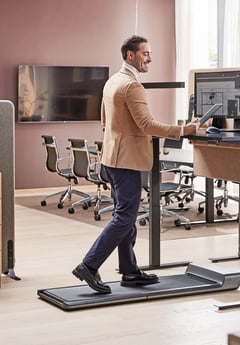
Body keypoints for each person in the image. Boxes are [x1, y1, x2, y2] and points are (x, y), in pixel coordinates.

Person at [72, 35, 199, 294]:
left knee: (125, 215)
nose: (149, 58)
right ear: (130, 55)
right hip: (127, 161)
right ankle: (89, 264)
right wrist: (183, 130)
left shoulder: (112, 82)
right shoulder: (132, 86)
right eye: (145, 53)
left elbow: (105, 122)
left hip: (113, 159)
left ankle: (129, 270)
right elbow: (147, 125)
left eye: (150, 53)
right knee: (125, 216)